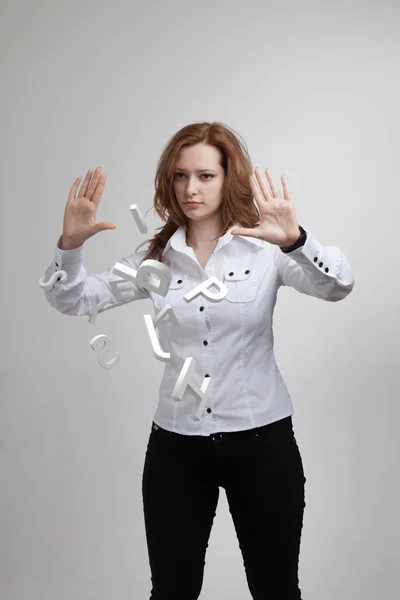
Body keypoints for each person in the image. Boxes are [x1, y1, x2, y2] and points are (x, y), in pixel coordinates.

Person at [42, 121, 355, 599]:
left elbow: (338, 285)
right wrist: (71, 247)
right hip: (176, 450)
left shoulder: (267, 248)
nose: (191, 188)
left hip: (262, 444)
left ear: (230, 177)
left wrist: (296, 240)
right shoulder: (156, 259)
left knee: (276, 589)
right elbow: (75, 299)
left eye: (206, 175)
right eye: (180, 176)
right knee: (171, 591)